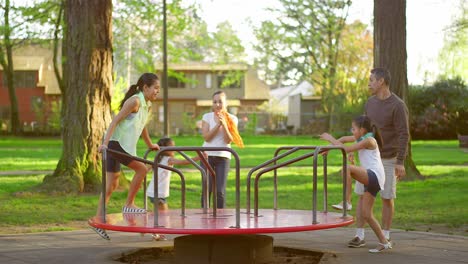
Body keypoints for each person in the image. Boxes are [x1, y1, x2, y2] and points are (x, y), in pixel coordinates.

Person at [91, 73, 161, 240]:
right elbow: (115, 121)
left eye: (159, 89)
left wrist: (150, 144)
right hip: (116, 144)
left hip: (119, 145)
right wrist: (105, 144)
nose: (157, 91)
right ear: (145, 88)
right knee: (142, 169)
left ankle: (99, 220)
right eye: (155, 88)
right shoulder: (135, 101)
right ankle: (128, 204)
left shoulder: (146, 105)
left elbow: (142, 126)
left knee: (111, 185)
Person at [320, 115, 392, 253]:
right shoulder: (361, 138)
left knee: (347, 168)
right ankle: (384, 242)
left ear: (362, 129)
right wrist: (330, 147)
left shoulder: (370, 141)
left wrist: (330, 138)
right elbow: (342, 140)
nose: (352, 131)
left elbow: (346, 149)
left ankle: (347, 201)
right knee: (367, 214)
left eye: (353, 129)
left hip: (375, 175)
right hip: (371, 178)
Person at [146, 137, 206, 241]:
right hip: (158, 192)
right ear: (165, 149)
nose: (175, 148)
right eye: (172, 147)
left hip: (155, 191)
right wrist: (198, 157)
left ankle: (156, 231)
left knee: (160, 213)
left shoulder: (158, 158)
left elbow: (148, 168)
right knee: (163, 214)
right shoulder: (168, 159)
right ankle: (157, 231)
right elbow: (183, 162)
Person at [200, 90, 244, 208]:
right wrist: (218, 125)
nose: (217, 104)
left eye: (220, 101)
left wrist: (224, 124)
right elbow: (207, 137)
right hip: (207, 156)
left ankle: (220, 219)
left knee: (220, 191)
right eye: (215, 102)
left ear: (226, 103)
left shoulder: (232, 118)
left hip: (223, 157)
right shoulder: (207, 117)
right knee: (206, 189)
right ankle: (204, 217)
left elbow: (228, 140)